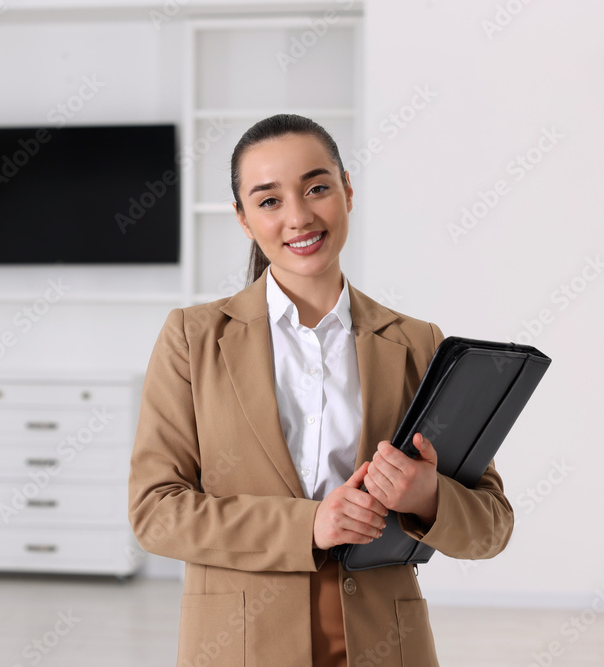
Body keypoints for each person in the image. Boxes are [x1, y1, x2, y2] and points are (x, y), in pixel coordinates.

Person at [127, 114, 513, 667]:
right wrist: (308, 525)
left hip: (386, 647)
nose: (299, 216)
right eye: (269, 200)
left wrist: (428, 498)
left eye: (316, 188)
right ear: (243, 219)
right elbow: (155, 512)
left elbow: (492, 526)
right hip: (241, 647)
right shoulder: (192, 339)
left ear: (347, 191)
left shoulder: (417, 344)